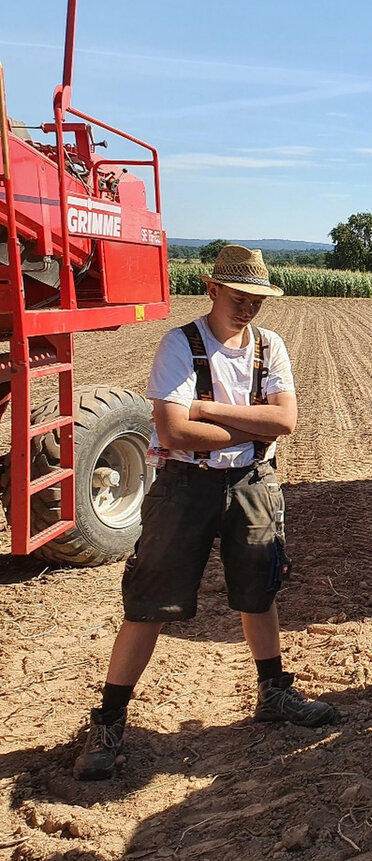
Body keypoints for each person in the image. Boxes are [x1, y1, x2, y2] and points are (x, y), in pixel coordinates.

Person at [74, 245, 336, 781]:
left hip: (252, 483)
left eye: (256, 300)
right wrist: (251, 424)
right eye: (239, 298)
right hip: (185, 486)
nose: (247, 309)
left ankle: (272, 693)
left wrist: (210, 409)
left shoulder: (271, 345)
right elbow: (172, 432)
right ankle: (109, 720)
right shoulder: (180, 343)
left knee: (257, 593)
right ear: (212, 289)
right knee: (149, 604)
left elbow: (285, 422)